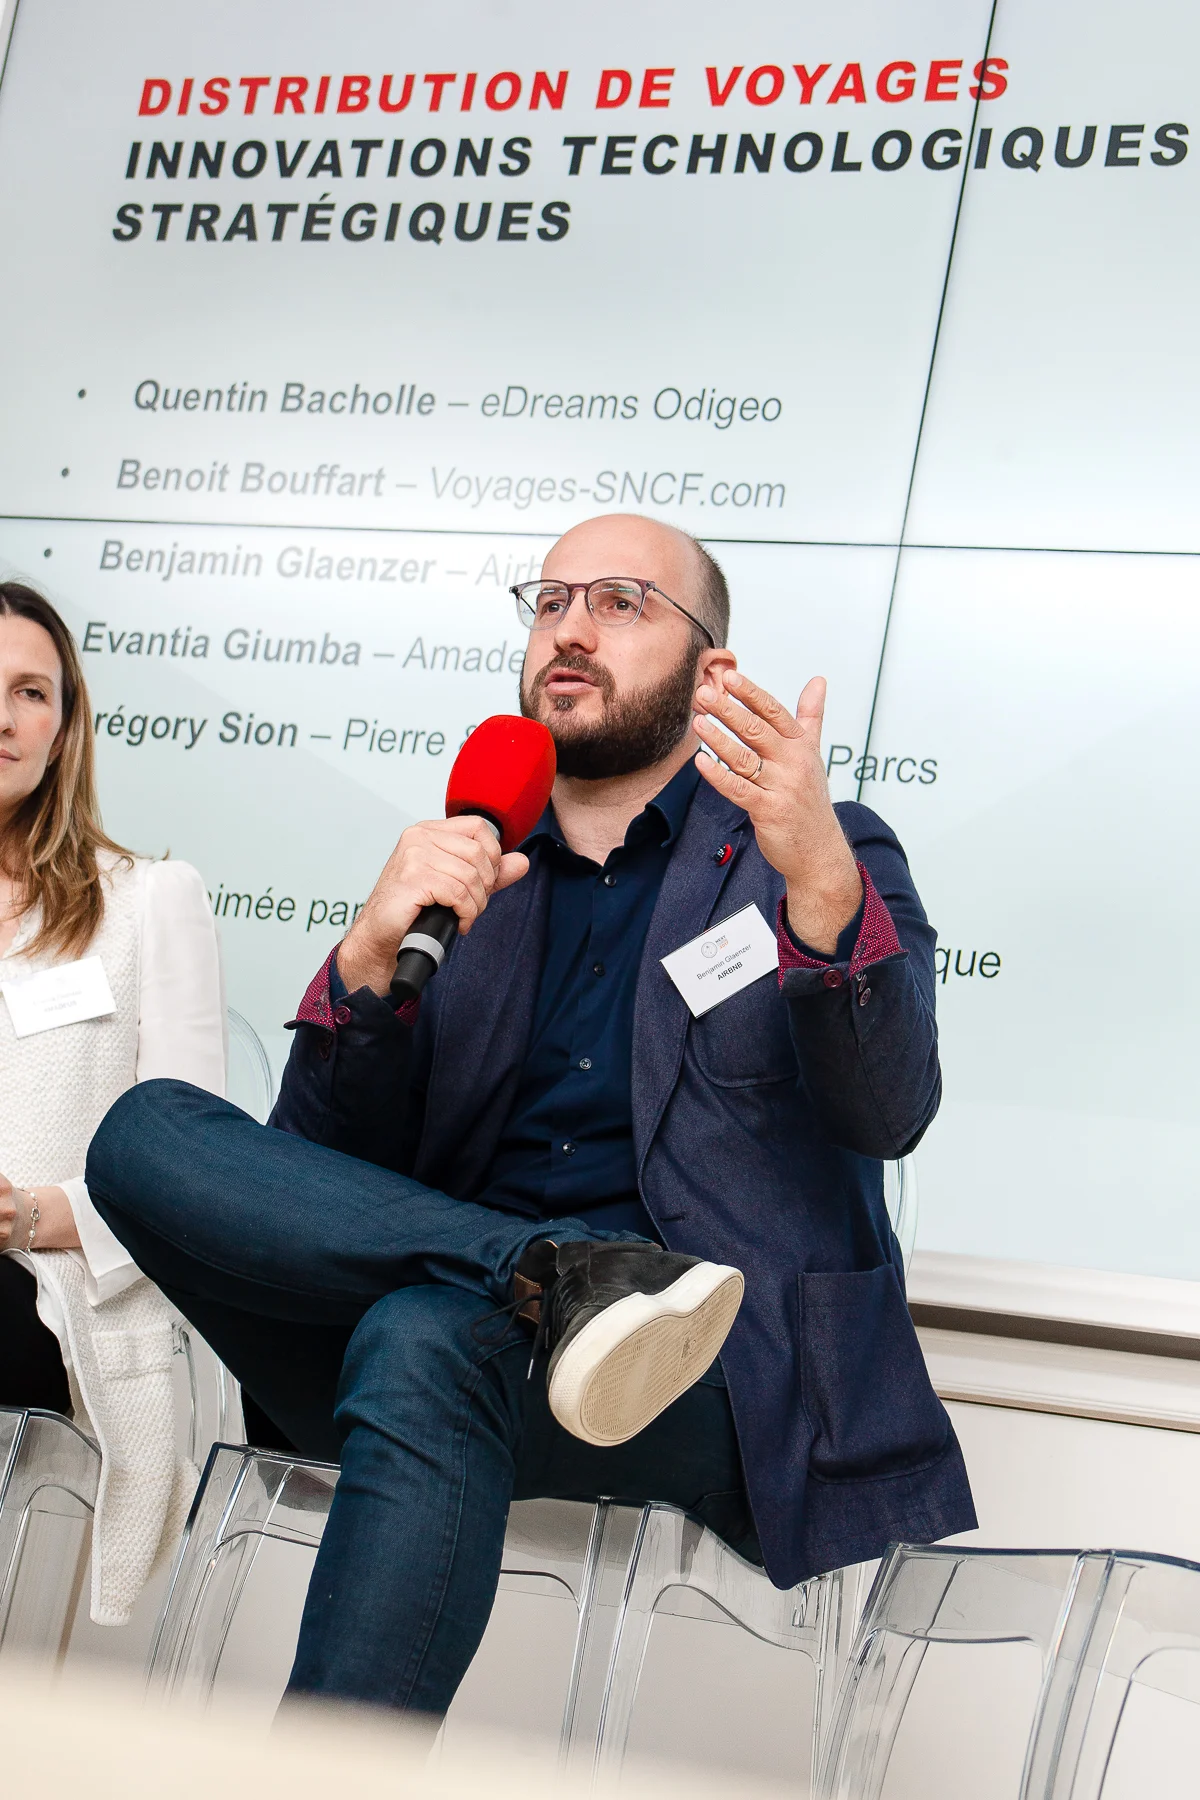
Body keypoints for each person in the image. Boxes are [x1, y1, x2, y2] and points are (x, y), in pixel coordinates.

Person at [86, 513, 974, 1710]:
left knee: (420, 1338)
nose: (569, 629)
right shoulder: (470, 860)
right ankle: (556, 1269)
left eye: (618, 602)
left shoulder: (811, 851)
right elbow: (313, 1179)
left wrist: (819, 878)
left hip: (711, 1360)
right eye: (549, 601)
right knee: (142, 1130)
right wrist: (363, 960)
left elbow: (892, 1108)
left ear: (712, 664)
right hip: (467, 1300)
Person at [0, 581, 225, 1622]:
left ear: (65, 726)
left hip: (52, 1298)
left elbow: (198, 1175)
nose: (4, 715)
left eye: (30, 691)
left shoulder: (145, 901)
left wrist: (37, 1215)